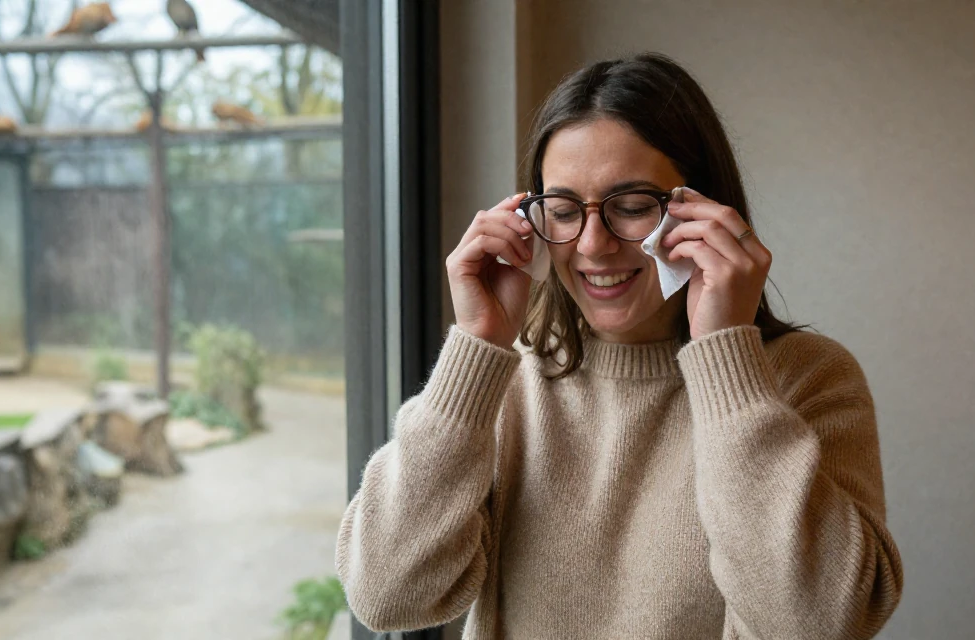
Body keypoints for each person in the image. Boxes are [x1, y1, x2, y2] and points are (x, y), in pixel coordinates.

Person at [337, 52, 904, 639]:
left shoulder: (808, 378)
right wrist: (477, 348)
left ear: (705, 209)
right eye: (562, 211)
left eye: (632, 208)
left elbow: (819, 624)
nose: (592, 245)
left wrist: (726, 355)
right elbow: (387, 596)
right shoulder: (505, 383)